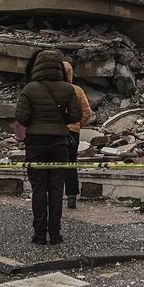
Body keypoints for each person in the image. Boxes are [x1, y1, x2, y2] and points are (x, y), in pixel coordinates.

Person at [14, 49, 82, 245]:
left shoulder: (29, 89)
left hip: (36, 142)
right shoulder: (68, 89)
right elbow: (76, 116)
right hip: (59, 142)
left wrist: (36, 122)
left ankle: (39, 233)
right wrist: (61, 120)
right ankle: (55, 233)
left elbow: (21, 117)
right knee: (56, 188)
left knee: (38, 188)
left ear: (37, 67)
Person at [62, 60, 92, 210]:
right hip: (73, 132)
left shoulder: (50, 90)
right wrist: (78, 125)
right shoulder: (77, 90)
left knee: (51, 163)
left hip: (55, 131)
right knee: (71, 163)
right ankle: (72, 196)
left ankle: (50, 194)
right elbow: (87, 112)